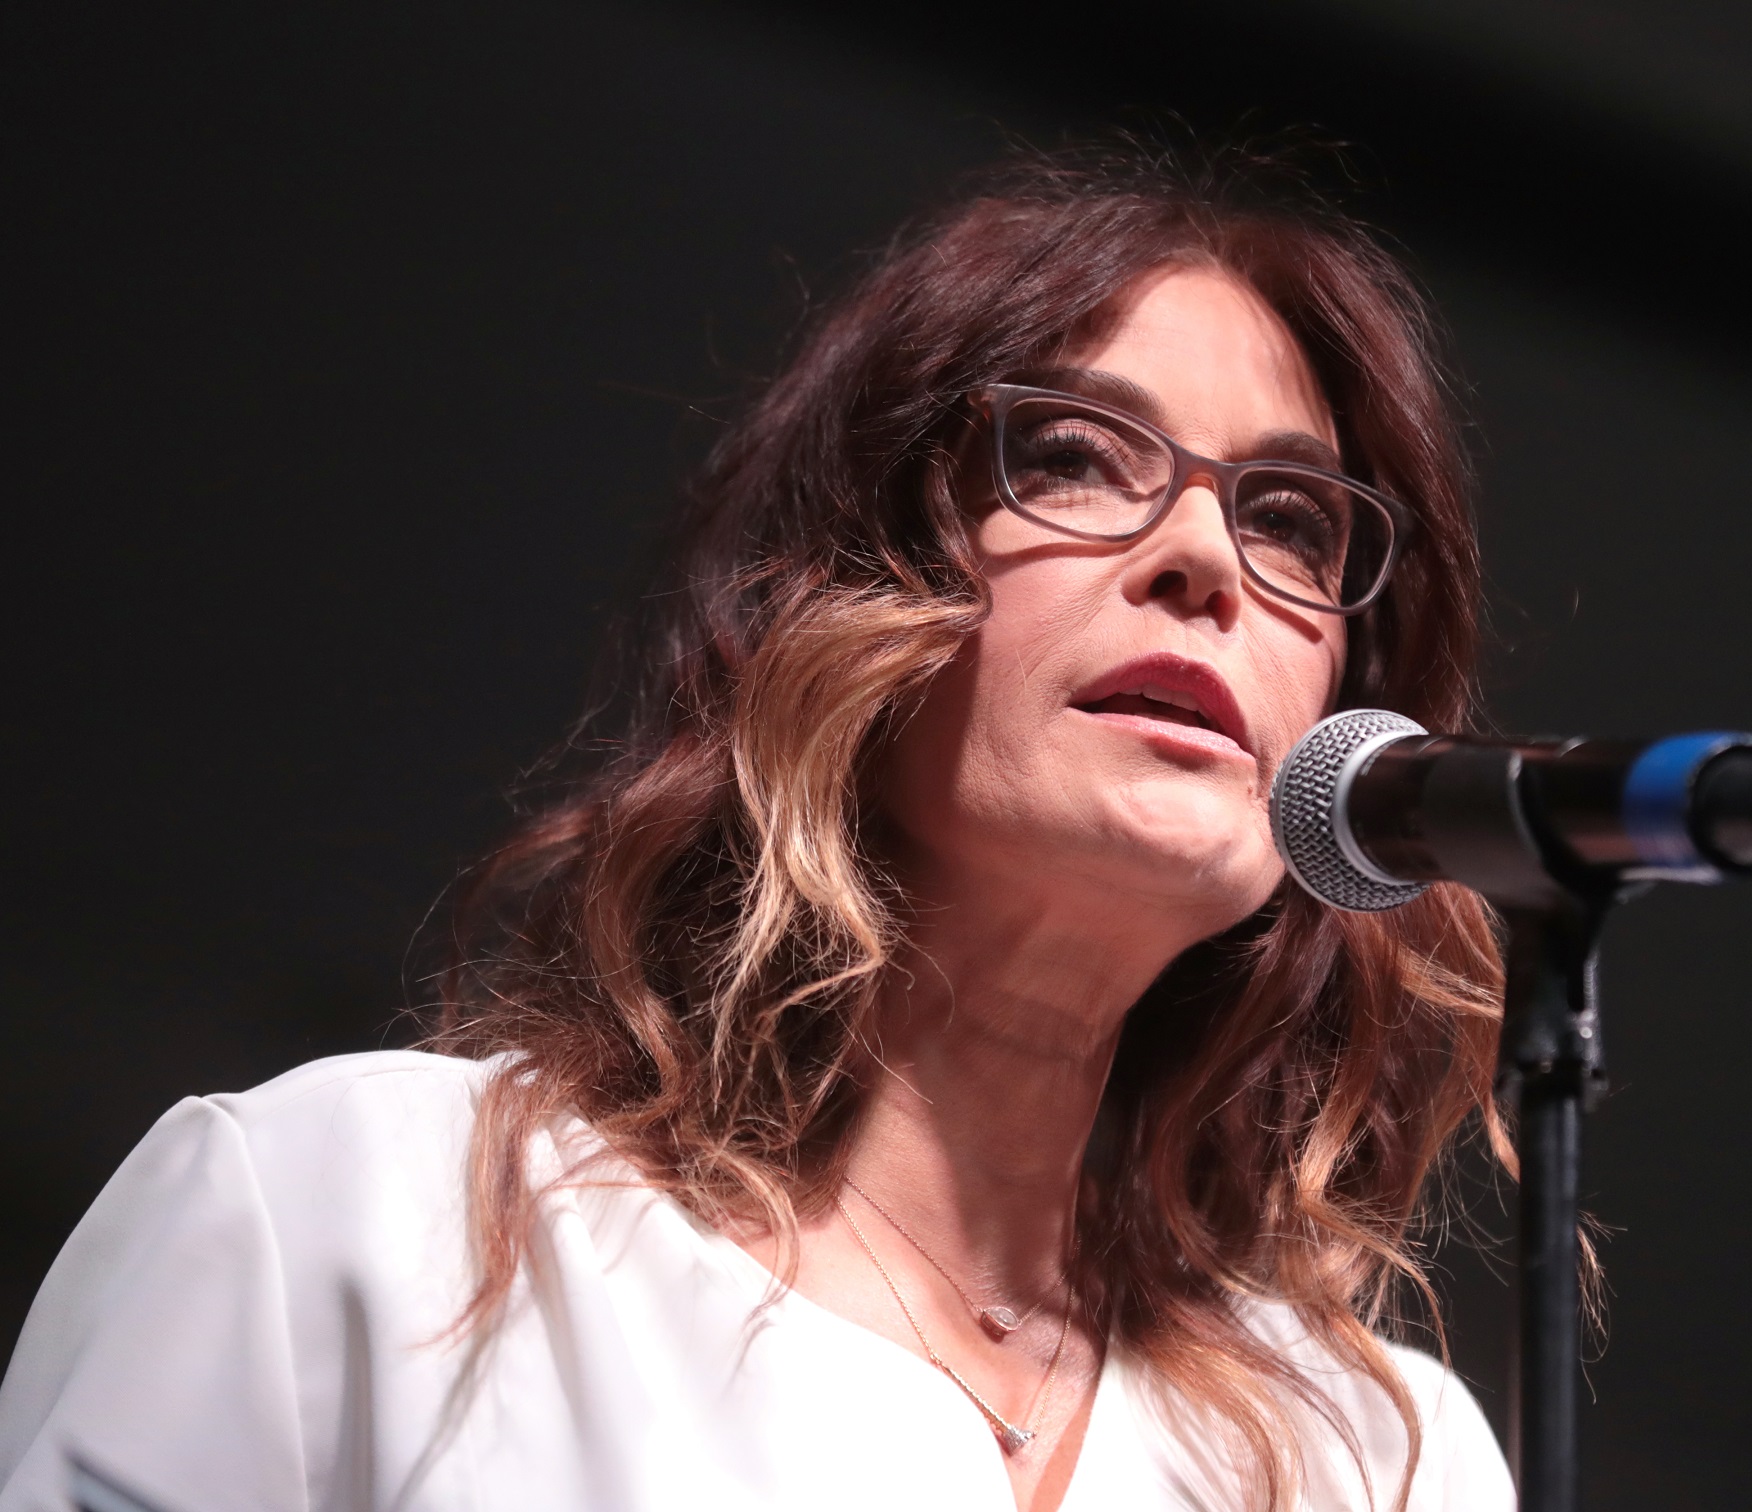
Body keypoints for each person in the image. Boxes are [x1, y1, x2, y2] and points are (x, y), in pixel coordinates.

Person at [0, 143, 1515, 1512]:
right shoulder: (357, 1219)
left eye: (1289, 520)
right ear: (844, 596)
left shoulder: (1379, 1465)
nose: (1204, 557)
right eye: (1068, 456)